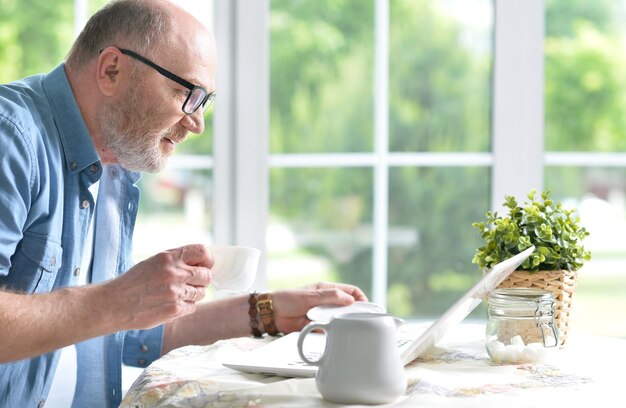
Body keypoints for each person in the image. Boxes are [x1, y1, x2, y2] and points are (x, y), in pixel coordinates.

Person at [0, 1, 367, 407]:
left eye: (204, 101)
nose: (197, 122)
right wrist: (118, 299)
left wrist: (272, 311)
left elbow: (124, 332)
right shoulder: (11, 138)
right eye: (185, 93)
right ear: (111, 70)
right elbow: (109, 311)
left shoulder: (114, 165)